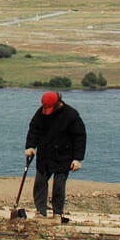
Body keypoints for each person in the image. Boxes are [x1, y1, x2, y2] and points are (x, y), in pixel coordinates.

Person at [25, 91, 86, 224]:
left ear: (58, 102)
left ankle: (57, 213)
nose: (46, 111)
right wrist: (30, 146)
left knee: (59, 185)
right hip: (44, 154)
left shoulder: (71, 114)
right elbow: (34, 129)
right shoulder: (40, 113)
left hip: (63, 156)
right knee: (40, 183)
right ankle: (40, 212)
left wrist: (77, 159)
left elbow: (80, 137)